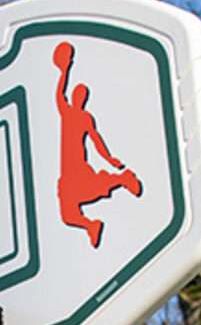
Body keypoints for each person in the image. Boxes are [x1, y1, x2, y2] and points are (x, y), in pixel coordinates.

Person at [52, 41, 143, 248]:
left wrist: (110, 159)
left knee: (93, 188)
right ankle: (91, 226)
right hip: (66, 169)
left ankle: (123, 179)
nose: (77, 97)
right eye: (76, 94)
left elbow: (96, 142)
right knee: (68, 215)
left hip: (77, 165)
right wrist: (64, 72)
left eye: (80, 95)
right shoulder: (67, 113)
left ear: (82, 99)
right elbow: (59, 95)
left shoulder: (84, 118)